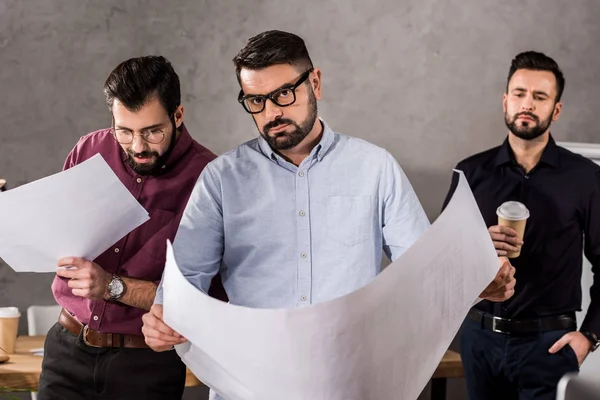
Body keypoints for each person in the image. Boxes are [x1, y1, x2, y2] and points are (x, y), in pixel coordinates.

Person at [141, 31, 516, 399]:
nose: (271, 113)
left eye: (283, 94)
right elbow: (184, 280)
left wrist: (474, 283)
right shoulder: (221, 180)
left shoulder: (375, 169)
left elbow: (423, 272)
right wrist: (163, 312)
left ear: (315, 82)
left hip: (350, 385)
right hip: (249, 388)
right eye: (255, 101)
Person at [37, 55, 227, 400]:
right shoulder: (88, 150)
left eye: (152, 131)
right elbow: (60, 235)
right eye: (124, 131)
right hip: (65, 348)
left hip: (145, 367)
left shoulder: (210, 179)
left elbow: (208, 299)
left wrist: (112, 286)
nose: (138, 147)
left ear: (178, 116)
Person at [443, 51, 600, 400]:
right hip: (479, 337)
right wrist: (477, 242)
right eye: (519, 93)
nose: (527, 104)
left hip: (550, 345)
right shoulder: (470, 173)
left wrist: (589, 336)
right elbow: (442, 262)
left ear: (555, 109)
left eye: (540, 96)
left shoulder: (586, 178)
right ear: (505, 100)